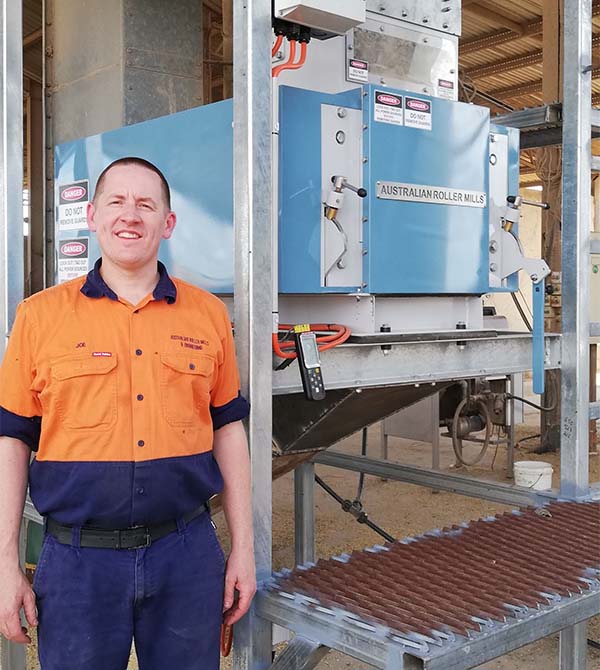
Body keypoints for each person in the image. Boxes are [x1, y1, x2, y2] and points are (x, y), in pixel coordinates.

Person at [0, 157, 256, 669]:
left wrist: (244, 549)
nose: (130, 215)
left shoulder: (207, 315)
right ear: (92, 216)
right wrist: (6, 559)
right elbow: (12, 439)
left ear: (168, 223)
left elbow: (228, 430)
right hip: (76, 564)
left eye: (146, 204)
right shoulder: (38, 317)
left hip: (185, 554)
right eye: (116, 201)